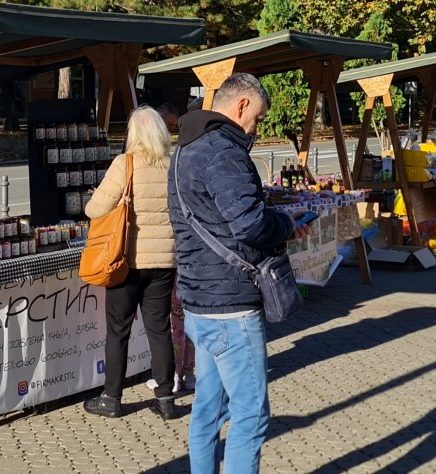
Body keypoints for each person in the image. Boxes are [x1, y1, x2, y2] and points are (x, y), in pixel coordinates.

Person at [168, 72, 312, 473]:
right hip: (229, 306)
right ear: (241, 104)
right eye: (258, 118)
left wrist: (276, 222)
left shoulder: (186, 148)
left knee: (208, 410)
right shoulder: (223, 152)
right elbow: (249, 225)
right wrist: (286, 223)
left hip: (199, 299)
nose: (256, 128)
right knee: (250, 415)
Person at [83, 105, 178, 420]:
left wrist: (105, 198)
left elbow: (94, 210)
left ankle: (111, 398)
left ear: (133, 134)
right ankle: (165, 398)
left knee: (118, 331)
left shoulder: (125, 164)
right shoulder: (173, 165)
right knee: (159, 329)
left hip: (126, 261)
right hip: (164, 261)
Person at [146, 103, 197, 394]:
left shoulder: (166, 162)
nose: (170, 131)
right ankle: (186, 371)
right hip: (185, 251)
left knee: (176, 318)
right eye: (167, 126)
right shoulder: (182, 161)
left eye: (174, 127)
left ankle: (175, 373)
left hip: (174, 253)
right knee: (183, 316)